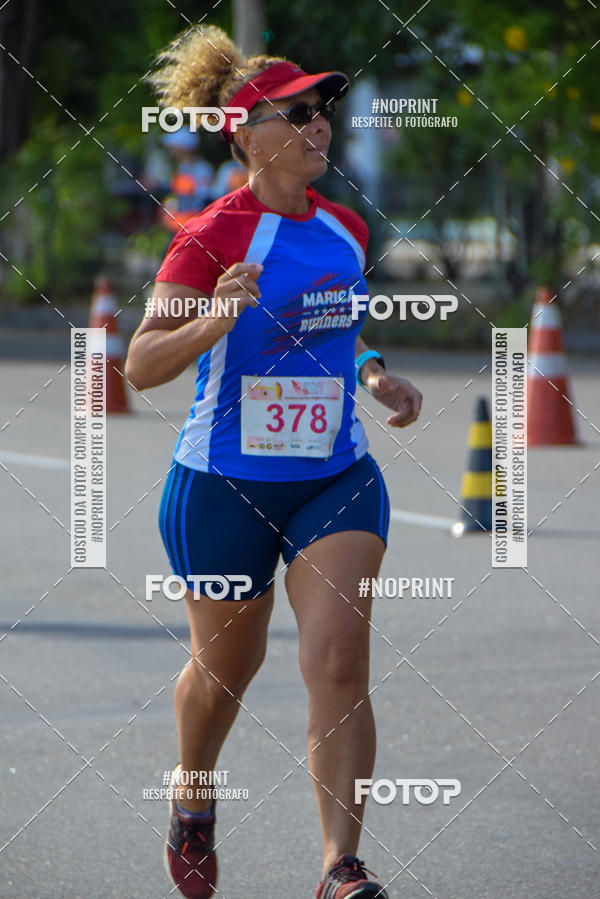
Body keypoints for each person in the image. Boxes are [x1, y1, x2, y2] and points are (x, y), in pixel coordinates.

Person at [125, 24, 422, 899]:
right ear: (246, 134)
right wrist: (214, 319)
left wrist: (371, 371)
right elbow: (141, 365)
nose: (319, 124)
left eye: (323, 108)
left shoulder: (343, 226)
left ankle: (340, 866)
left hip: (334, 475)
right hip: (222, 486)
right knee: (225, 672)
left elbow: (337, 320)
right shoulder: (208, 237)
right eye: (296, 113)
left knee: (337, 660)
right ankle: (193, 793)